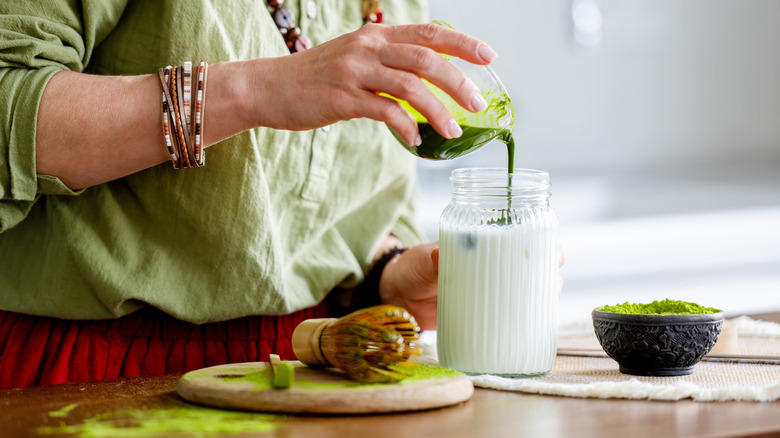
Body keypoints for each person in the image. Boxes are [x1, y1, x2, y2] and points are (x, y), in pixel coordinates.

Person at [0, 1, 498, 388]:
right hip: (97, 369)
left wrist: (386, 275)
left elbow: (347, 202)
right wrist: (257, 90)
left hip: (317, 363)